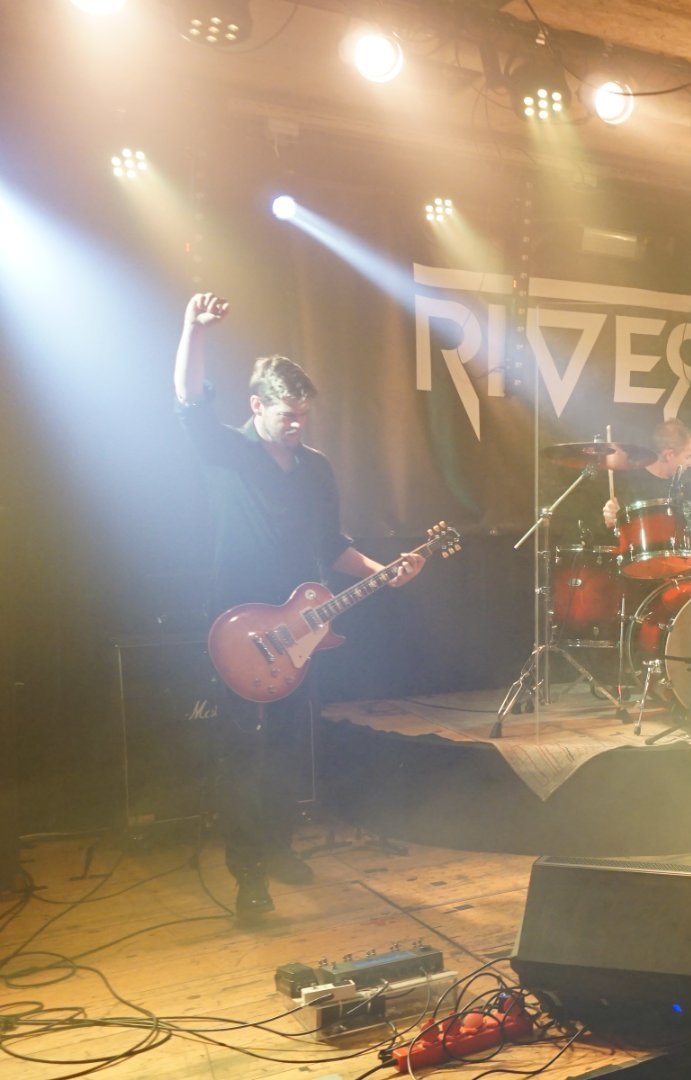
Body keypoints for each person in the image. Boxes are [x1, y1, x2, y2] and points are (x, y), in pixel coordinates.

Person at [173, 292, 424, 924]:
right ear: (257, 405)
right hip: (236, 624)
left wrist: (383, 571)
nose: (298, 425)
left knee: (289, 746)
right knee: (243, 752)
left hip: (300, 627)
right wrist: (193, 330)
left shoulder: (315, 468)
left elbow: (331, 545)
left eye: (305, 415)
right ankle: (248, 876)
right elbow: (188, 398)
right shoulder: (228, 450)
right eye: (288, 414)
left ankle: (279, 846)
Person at [599, 418, 691, 537]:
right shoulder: (631, 485)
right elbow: (613, 533)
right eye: (687, 456)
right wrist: (611, 518)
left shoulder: (686, 485)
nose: (690, 463)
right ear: (669, 455)